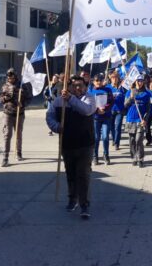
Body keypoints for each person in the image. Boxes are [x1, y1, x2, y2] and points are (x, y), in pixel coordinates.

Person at [46, 75, 96, 219]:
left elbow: (86, 110)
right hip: (67, 144)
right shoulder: (59, 101)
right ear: (69, 87)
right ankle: (72, 199)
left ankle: (84, 204)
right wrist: (56, 127)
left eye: (80, 85)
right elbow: (50, 116)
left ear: (85, 87)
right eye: (74, 85)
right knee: (70, 174)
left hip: (85, 144)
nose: (77, 88)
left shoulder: (89, 98)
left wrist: (71, 99)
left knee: (83, 174)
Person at [0, 68, 33, 167]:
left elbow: (29, 98)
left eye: (12, 76)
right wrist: (5, 98)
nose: (10, 78)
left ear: (15, 76)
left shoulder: (22, 86)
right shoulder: (4, 86)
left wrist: (23, 104)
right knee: (7, 134)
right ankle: (5, 157)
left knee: (18, 134)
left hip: (19, 114)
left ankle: (18, 152)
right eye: (8, 77)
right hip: (7, 113)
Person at [124, 75, 151, 167]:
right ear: (135, 82)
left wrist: (145, 119)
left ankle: (140, 158)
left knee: (138, 140)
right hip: (130, 119)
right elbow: (125, 105)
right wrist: (131, 97)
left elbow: (148, 109)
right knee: (132, 141)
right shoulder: (129, 92)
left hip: (140, 120)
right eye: (138, 81)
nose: (139, 83)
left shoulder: (146, 94)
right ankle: (133, 157)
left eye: (141, 81)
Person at [89, 73, 114, 165]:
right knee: (96, 138)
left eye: (100, 80)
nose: (98, 82)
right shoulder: (90, 91)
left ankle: (106, 155)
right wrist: (96, 110)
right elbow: (89, 103)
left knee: (105, 137)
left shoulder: (107, 90)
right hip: (95, 118)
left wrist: (105, 109)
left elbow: (111, 101)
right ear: (93, 82)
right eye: (96, 81)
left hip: (106, 117)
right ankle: (95, 156)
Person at [106, 71, 127, 151]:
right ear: (110, 79)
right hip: (110, 110)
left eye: (116, 78)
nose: (114, 79)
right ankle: (114, 139)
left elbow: (127, 95)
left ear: (118, 78)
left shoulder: (122, 87)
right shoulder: (108, 87)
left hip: (119, 110)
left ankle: (117, 143)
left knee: (117, 127)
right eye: (113, 78)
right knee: (111, 127)